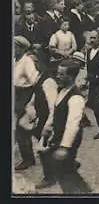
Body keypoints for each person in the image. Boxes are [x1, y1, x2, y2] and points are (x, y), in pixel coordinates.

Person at [35, 59, 92, 193]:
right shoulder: (62, 91)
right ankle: (85, 190)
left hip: (69, 139)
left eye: (61, 74)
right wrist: (47, 128)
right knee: (65, 169)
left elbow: (73, 124)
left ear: (71, 76)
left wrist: (65, 147)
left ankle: (75, 193)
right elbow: (55, 112)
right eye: (58, 73)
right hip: (59, 135)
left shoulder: (76, 97)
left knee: (63, 171)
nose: (57, 77)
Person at [14, 36, 41, 171]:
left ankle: (28, 159)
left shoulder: (27, 61)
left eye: (15, 47)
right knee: (29, 128)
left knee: (22, 129)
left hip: (26, 95)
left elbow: (35, 81)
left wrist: (32, 101)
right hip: (17, 95)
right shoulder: (15, 61)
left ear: (21, 48)